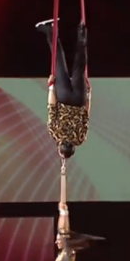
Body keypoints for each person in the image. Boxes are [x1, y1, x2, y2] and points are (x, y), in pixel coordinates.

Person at [36, 19, 91, 159]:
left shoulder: (80, 139)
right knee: (59, 63)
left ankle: (81, 35)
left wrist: (89, 94)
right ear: (60, 148)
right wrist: (51, 87)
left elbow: (86, 114)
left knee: (80, 65)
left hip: (79, 99)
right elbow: (52, 107)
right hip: (64, 96)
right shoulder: (55, 134)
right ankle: (50, 30)